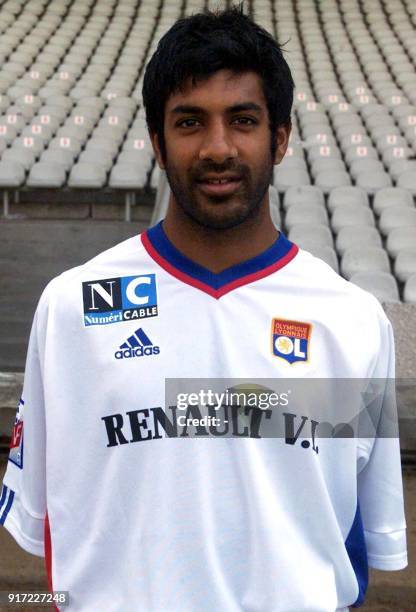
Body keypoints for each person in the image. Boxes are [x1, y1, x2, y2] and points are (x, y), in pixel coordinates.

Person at [0, 7, 407, 612]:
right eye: (190, 122)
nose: (218, 148)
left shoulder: (352, 320)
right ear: (159, 143)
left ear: (281, 137)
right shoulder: (71, 308)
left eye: (243, 120)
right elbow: (47, 531)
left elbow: (357, 550)